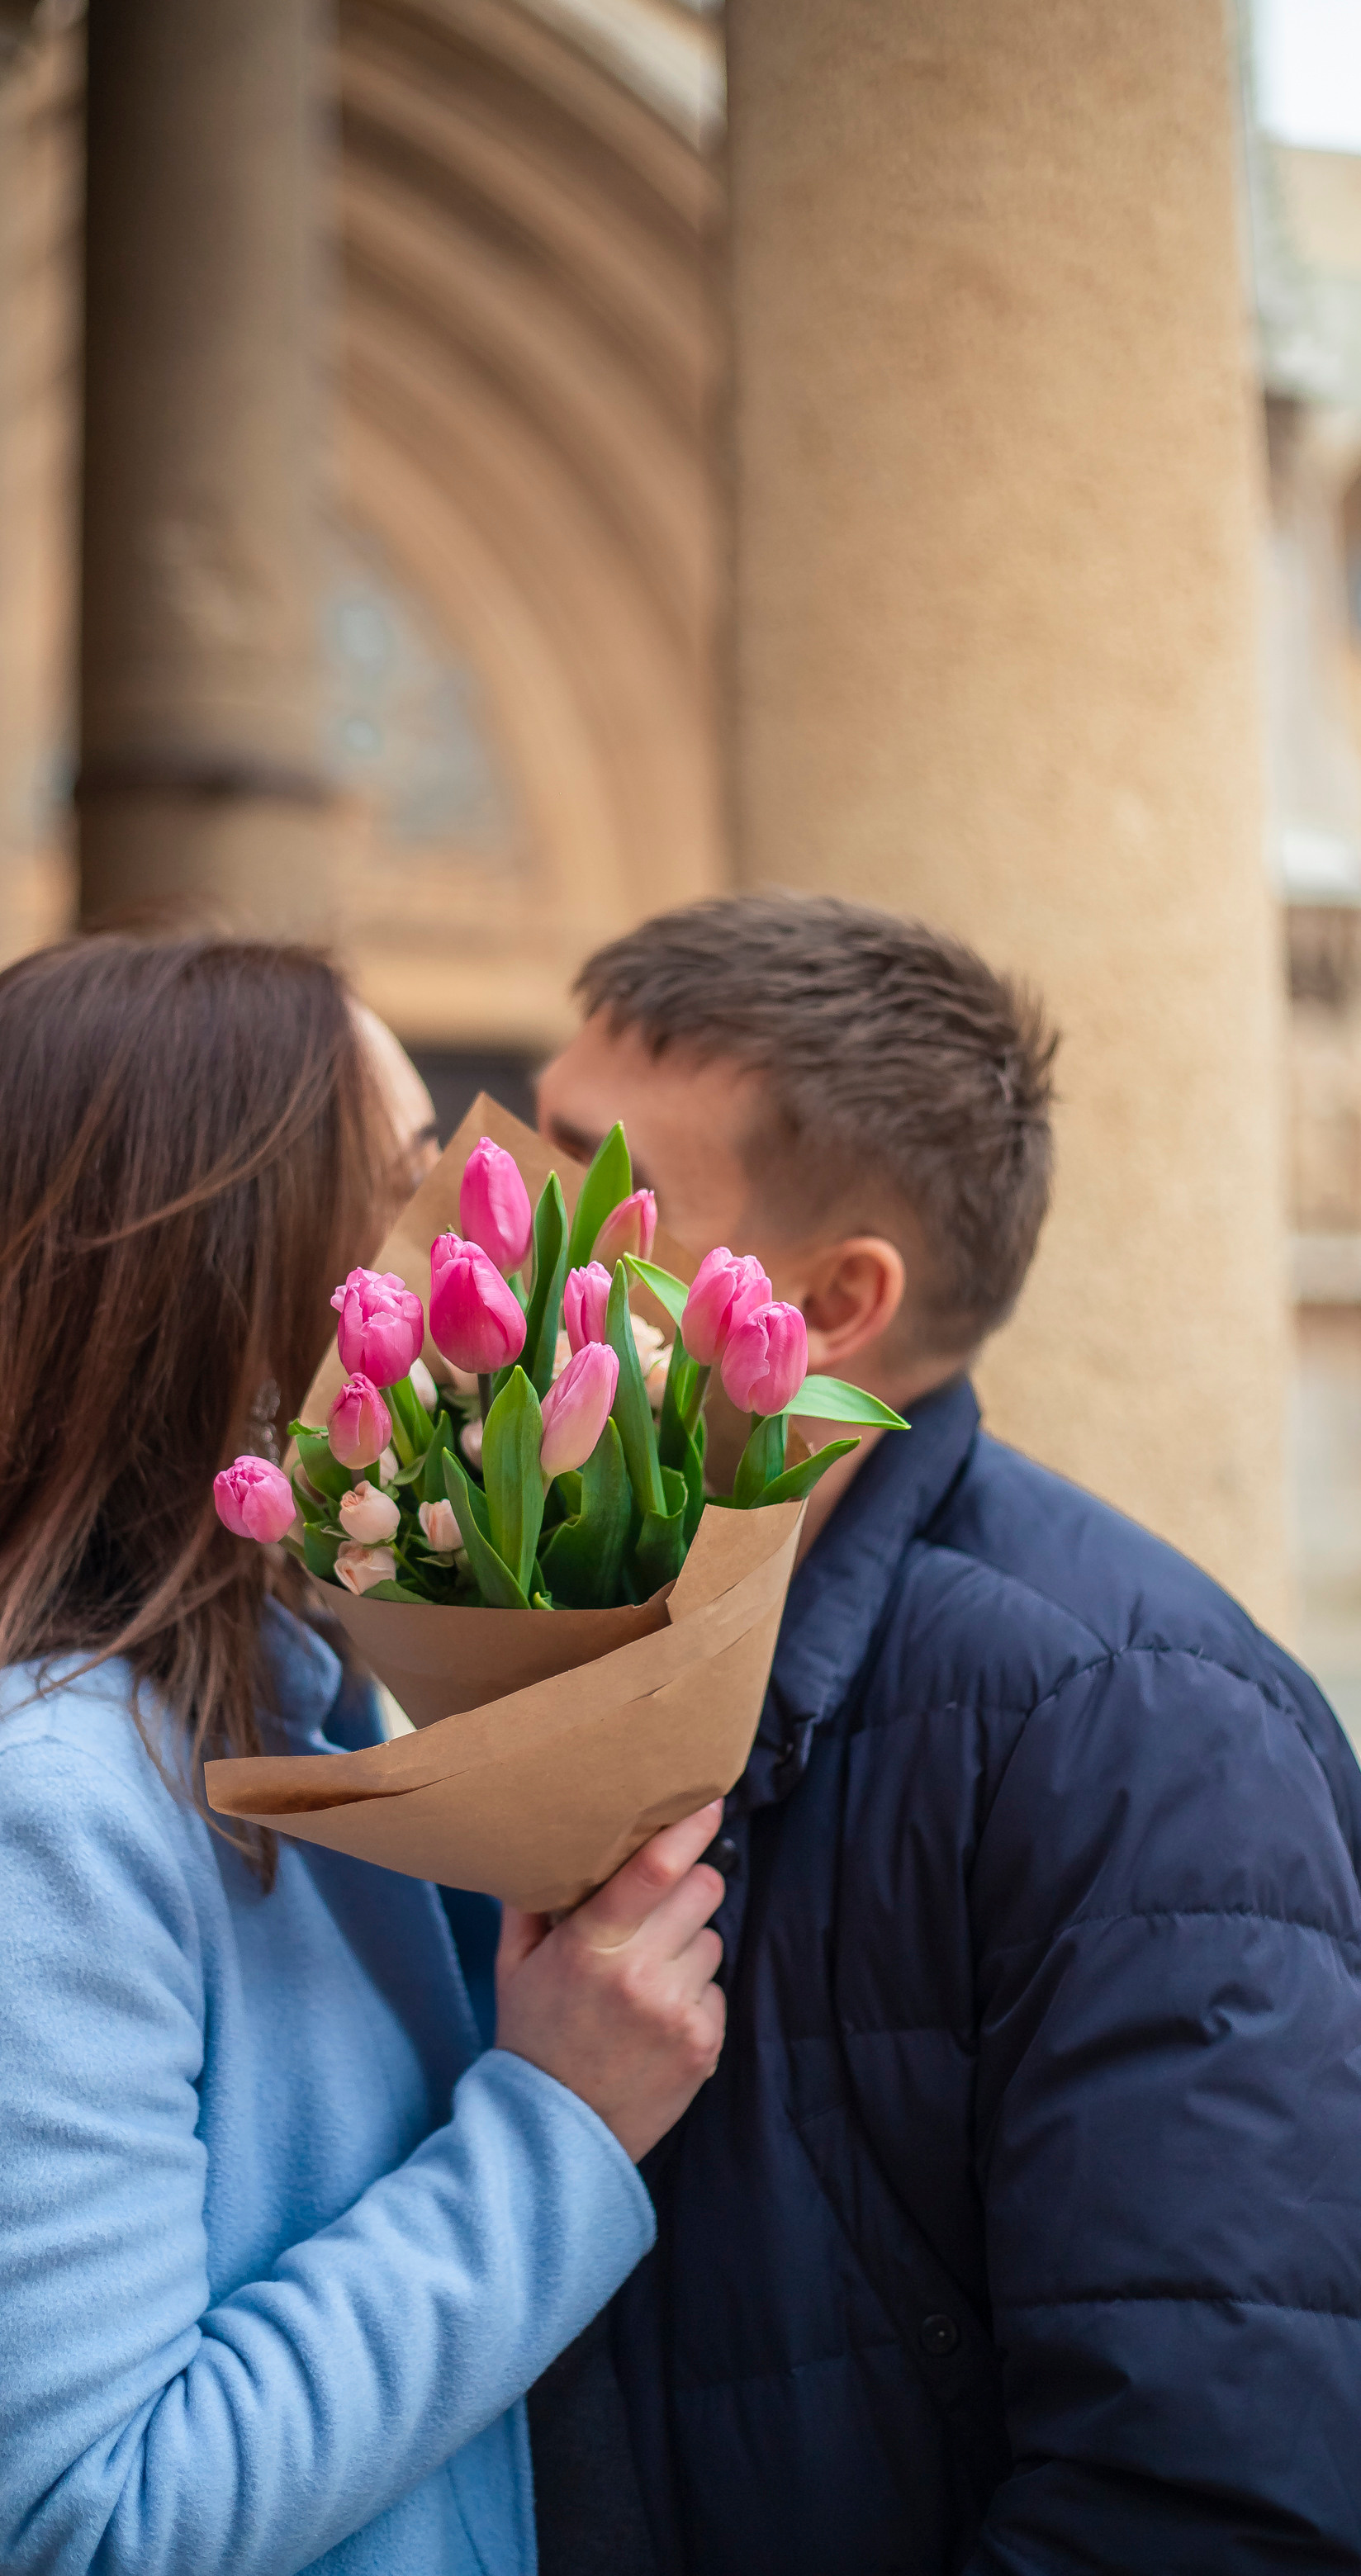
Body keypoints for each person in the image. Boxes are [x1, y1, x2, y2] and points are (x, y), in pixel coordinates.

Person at [0, 932, 730, 2576]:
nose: (460, 1236)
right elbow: (94, 2526)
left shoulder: (275, 1720)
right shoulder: (27, 1821)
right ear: (233, 1281)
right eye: (405, 1182)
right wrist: (553, 2122)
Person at [532, 892, 1361, 2573]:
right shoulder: (598, 1630)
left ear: (828, 1306)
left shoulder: (1134, 1734)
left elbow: (1203, 2500)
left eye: (590, 1187)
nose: (500, 1230)